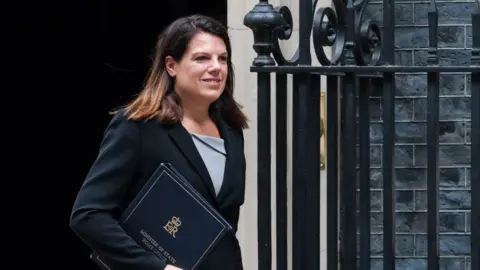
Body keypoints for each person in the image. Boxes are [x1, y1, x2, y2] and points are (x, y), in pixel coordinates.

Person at [69, 14, 248, 270]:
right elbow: (87, 215)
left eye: (222, 58)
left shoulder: (231, 130)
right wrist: (156, 267)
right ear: (171, 65)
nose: (216, 67)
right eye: (201, 58)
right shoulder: (137, 127)